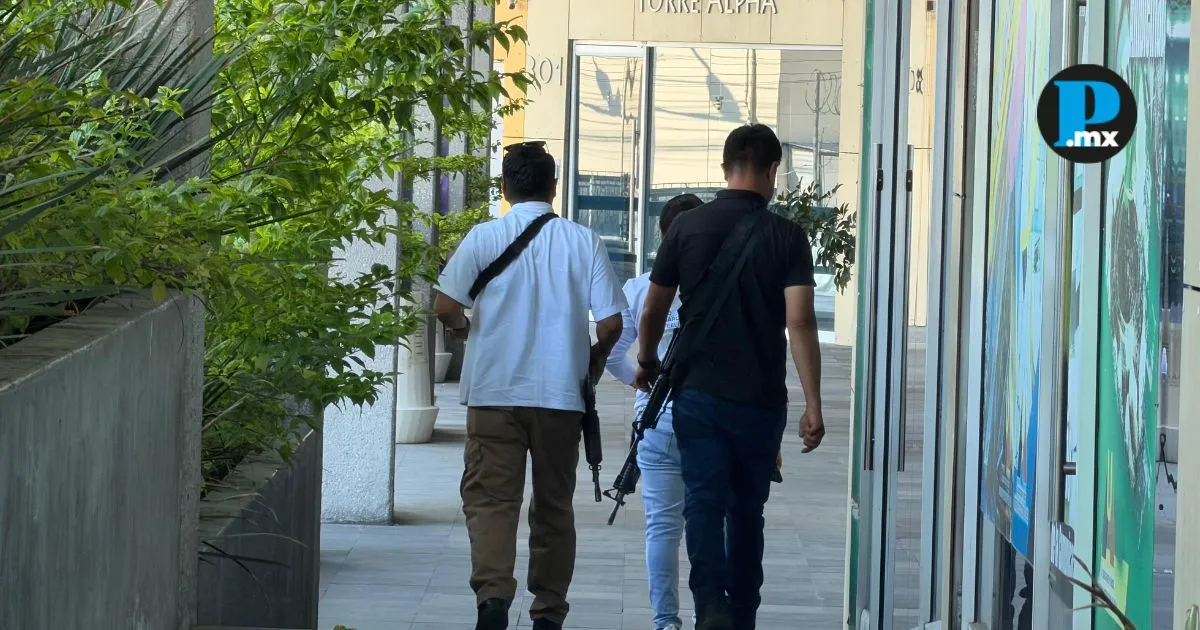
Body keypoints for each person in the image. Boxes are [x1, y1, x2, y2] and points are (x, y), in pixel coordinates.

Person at [633, 124, 826, 630]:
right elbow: (801, 322)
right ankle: (741, 613)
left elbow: (653, 309)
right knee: (746, 510)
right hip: (760, 400)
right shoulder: (788, 236)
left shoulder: (686, 228)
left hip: (697, 394)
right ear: (773, 171)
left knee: (702, 499)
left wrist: (648, 360)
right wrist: (813, 403)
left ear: (724, 169)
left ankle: (709, 607)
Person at [434, 140, 627, 630]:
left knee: (491, 502)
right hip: (560, 397)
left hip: (493, 395)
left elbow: (445, 306)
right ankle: (547, 613)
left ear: (504, 188)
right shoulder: (583, 241)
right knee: (554, 507)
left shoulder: (483, 237)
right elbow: (610, 324)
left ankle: (493, 601)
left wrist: (464, 329)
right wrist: (592, 363)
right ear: (554, 187)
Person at [609, 193, 787, 630]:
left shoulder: (639, 288)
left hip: (657, 420)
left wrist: (640, 377)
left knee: (662, 526)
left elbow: (613, 351)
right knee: (717, 521)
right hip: (718, 420)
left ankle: (666, 622)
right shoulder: (732, 287)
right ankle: (710, 612)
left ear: (664, 238)